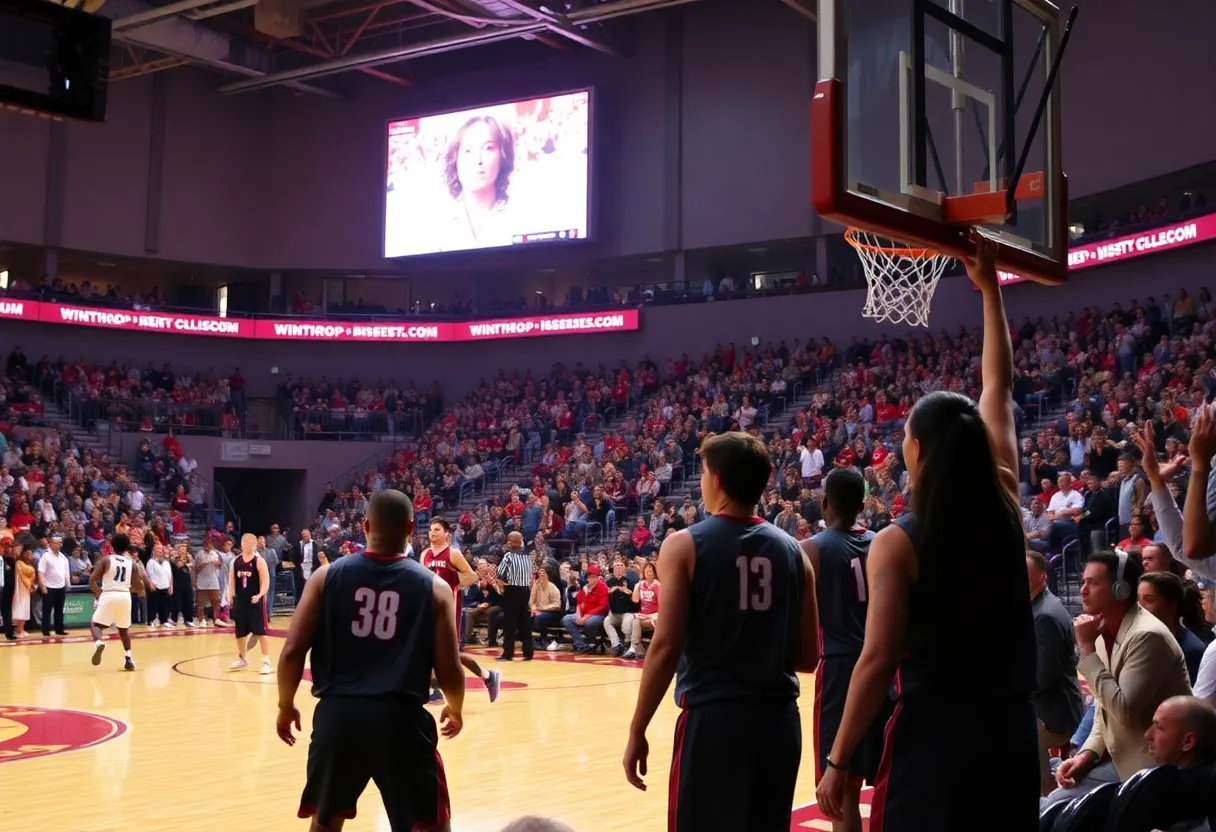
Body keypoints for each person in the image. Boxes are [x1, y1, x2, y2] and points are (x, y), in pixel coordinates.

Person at [814, 234, 1039, 831]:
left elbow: (877, 658)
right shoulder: (1008, 501)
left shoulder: (898, 541)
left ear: (917, 449)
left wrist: (838, 757)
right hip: (1012, 738)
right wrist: (991, 290)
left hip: (936, 743)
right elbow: (998, 388)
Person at [623, 431, 819, 832]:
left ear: (716, 480)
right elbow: (808, 657)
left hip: (714, 722)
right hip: (778, 724)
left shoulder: (683, 545)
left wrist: (637, 729)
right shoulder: (796, 553)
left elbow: (665, 646)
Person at [276, 489, 465, 832]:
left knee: (325, 822)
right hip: (401, 721)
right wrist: (455, 706)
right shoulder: (435, 588)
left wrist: (285, 705)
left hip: (338, 718)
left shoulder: (325, 577)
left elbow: (291, 652)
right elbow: (449, 668)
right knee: (431, 825)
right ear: (411, 528)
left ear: (365, 526)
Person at [1042, 550, 1192, 808]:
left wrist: (1087, 648)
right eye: (1084, 582)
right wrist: (1087, 755)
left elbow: (1123, 711)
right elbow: (1103, 708)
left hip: (1152, 769)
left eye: (1094, 583)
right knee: (1051, 805)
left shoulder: (1147, 636)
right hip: (1118, 760)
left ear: (1120, 590)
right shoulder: (1103, 631)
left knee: (1054, 811)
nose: (1083, 590)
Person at [801, 467, 892, 832]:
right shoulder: (885, 542)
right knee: (888, 781)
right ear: (862, 505)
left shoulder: (812, 549)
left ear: (825, 503)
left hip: (840, 670)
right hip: (885, 665)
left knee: (842, 792)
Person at [422, 518, 502, 702]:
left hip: (448, 609)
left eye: (436, 530)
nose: (432, 533)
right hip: (430, 607)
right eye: (430, 530)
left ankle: (487, 676)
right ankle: (486, 677)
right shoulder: (425, 554)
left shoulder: (453, 553)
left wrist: (454, 584)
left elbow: (472, 576)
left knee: (448, 653)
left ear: (446, 534)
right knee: (429, 650)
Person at [1026, 550, 1084, 794]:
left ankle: (1043, 790)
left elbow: (1042, 679)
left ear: (1042, 576)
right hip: (1058, 698)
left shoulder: (1045, 615)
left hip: (1055, 710)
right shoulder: (1042, 603)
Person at [88, 533, 149, 671]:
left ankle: (99, 642)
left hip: (108, 593)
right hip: (125, 596)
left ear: (112, 545)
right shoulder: (131, 563)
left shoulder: (106, 559)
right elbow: (139, 587)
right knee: (123, 629)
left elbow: (92, 579)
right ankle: (128, 658)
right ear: (127, 547)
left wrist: (98, 592)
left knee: (96, 625)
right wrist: (130, 588)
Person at [228, 533, 273, 675]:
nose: (248, 546)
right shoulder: (235, 561)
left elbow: (266, 581)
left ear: (255, 545)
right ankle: (242, 658)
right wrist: (230, 594)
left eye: (251, 544)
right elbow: (231, 580)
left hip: (255, 600)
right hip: (240, 601)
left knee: (261, 631)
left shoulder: (259, 561)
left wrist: (260, 594)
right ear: (241, 545)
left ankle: (266, 661)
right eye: (245, 544)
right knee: (240, 632)